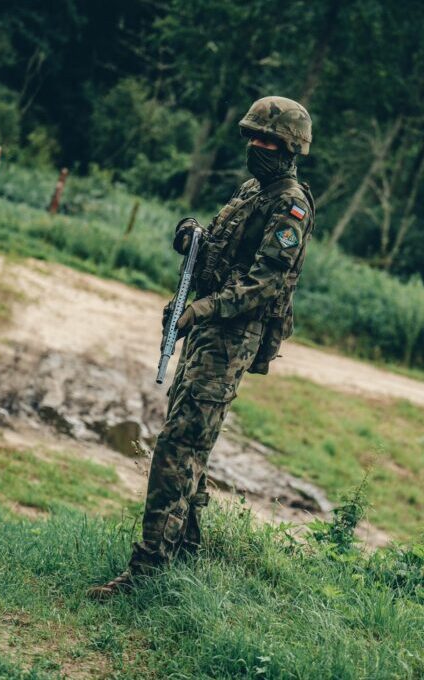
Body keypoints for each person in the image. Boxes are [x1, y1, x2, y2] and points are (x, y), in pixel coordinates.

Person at [88, 96, 315, 599]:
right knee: (188, 442)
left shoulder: (289, 205)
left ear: (289, 148)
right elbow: (218, 249)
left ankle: (148, 569)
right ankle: (185, 553)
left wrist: (202, 310)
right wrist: (192, 236)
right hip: (208, 329)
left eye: (267, 140)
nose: (255, 146)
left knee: (179, 446)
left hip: (231, 337)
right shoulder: (252, 190)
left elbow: (265, 284)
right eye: (251, 137)